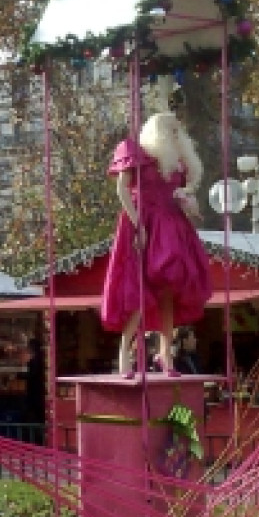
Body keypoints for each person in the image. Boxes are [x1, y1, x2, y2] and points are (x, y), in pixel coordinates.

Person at [100, 112, 212, 375]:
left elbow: (180, 196)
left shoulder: (178, 166)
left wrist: (190, 205)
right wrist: (138, 224)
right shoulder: (136, 153)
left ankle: (165, 354)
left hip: (172, 227)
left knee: (169, 292)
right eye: (170, 130)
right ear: (158, 132)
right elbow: (122, 190)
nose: (175, 135)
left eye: (177, 131)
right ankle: (125, 352)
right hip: (144, 223)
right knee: (138, 290)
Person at [23, 337, 46, 444]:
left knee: (34, 417)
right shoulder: (41, 359)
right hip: (38, 393)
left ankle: (36, 440)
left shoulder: (35, 361)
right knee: (38, 417)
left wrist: (19, 375)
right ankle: (38, 439)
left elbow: (31, 375)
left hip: (34, 393)